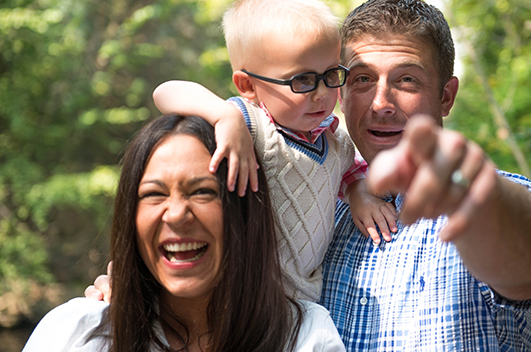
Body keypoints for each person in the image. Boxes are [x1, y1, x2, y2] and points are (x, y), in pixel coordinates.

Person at [86, 0, 531, 351]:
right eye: (359, 80)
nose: (380, 102)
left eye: (407, 80)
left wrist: (473, 194)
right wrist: (136, 288)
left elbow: (525, 263)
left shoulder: (493, 198)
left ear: (447, 96)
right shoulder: (314, 205)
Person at [152, 0, 395, 302]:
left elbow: (352, 175)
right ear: (248, 86)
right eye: (303, 80)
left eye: (331, 75)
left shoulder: (336, 142)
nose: (322, 94)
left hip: (306, 297)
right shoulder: (249, 124)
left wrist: (359, 195)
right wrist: (225, 116)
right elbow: (165, 92)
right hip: (240, 294)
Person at [25, 115, 345, 351]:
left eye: (203, 192)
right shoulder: (75, 333)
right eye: (153, 194)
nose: (177, 214)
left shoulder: (305, 336)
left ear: (244, 212)